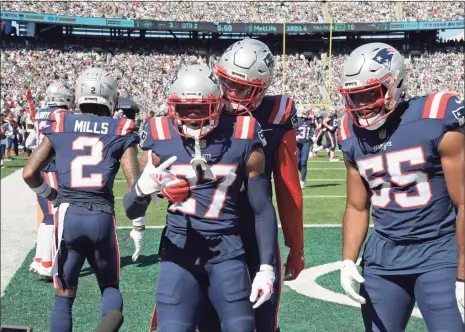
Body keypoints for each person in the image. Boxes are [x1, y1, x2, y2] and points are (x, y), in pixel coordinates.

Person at [123, 64, 278, 332]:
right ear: (172, 107)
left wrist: (266, 267)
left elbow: (262, 208)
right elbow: (131, 209)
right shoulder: (159, 134)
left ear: (218, 104)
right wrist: (142, 190)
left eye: (202, 107)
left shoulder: (243, 132)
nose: (193, 116)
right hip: (179, 252)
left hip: (227, 251)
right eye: (184, 108)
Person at [337, 42, 464, 331]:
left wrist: (463, 275)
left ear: (396, 85)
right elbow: (357, 206)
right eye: (354, 97)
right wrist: (347, 260)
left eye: (370, 93)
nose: (361, 105)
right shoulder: (348, 131)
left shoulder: (435, 116)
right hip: (383, 258)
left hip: (438, 252)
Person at [22, 68, 150, 332]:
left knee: (63, 298)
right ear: (112, 99)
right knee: (110, 288)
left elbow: (29, 172)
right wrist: (139, 220)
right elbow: (135, 187)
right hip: (102, 217)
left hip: (67, 216)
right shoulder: (121, 127)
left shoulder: (61, 122)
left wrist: (50, 194)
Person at [199, 38, 304, 332]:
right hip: (209, 227)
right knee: (205, 317)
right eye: (226, 82)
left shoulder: (276, 113)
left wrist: (296, 246)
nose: (230, 92)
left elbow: (288, 187)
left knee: (263, 318)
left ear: (261, 88)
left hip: (257, 226)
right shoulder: (200, 104)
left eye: (241, 87)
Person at [24, 81, 74, 278]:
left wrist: (30, 102)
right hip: (52, 168)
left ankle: (40, 259)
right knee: (53, 215)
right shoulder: (62, 116)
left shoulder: (42, 114)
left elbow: (30, 142)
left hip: (40, 169)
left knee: (46, 216)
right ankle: (48, 264)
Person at [296, 109, 315, 188]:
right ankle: (304, 175)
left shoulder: (309, 121)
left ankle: (302, 180)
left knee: (303, 162)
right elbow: (291, 130)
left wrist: (313, 137)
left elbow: (311, 130)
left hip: (306, 142)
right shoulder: (296, 120)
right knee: (297, 162)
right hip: (296, 143)